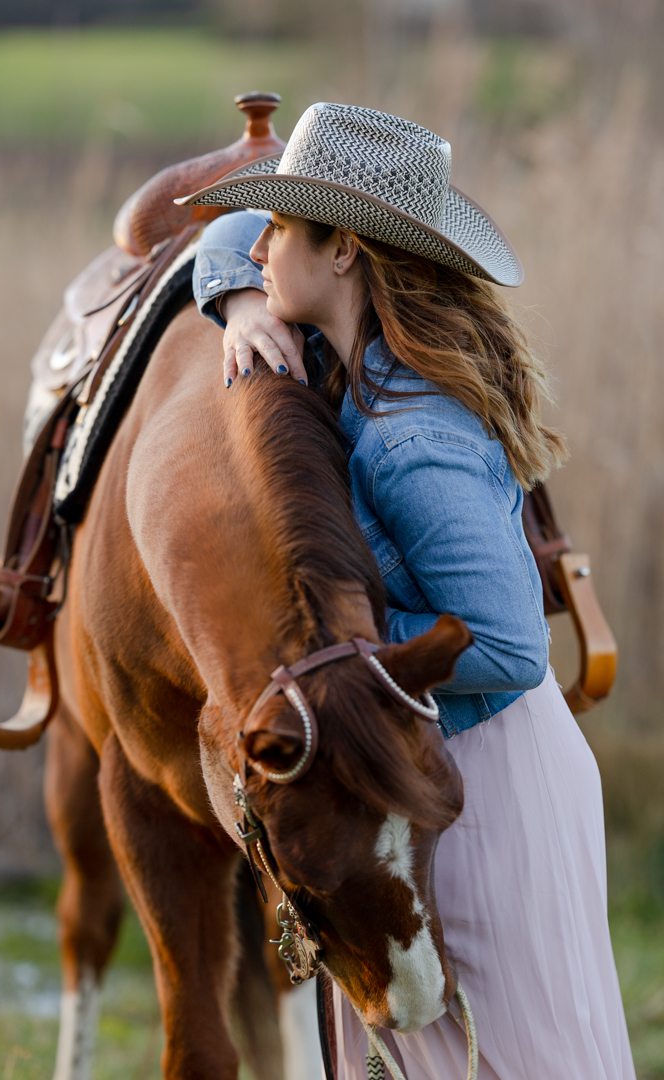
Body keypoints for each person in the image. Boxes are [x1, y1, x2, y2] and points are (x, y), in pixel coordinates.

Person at [180, 103, 635, 1079]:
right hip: (433, 758)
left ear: (344, 251)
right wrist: (240, 301)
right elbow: (220, 235)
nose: (258, 246)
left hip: (488, 775)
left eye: (282, 230)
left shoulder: (409, 438)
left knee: (506, 1058)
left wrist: (339, 660)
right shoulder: (352, 363)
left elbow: (511, 647)